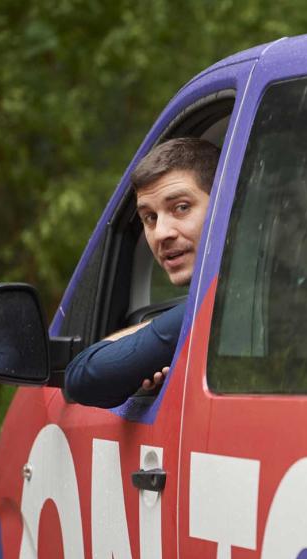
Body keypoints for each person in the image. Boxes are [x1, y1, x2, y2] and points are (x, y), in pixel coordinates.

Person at [64, 137, 219, 408]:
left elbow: (82, 376)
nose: (161, 233)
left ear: (227, 203)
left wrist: (154, 334)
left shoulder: (219, 306)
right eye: (150, 217)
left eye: (181, 208)